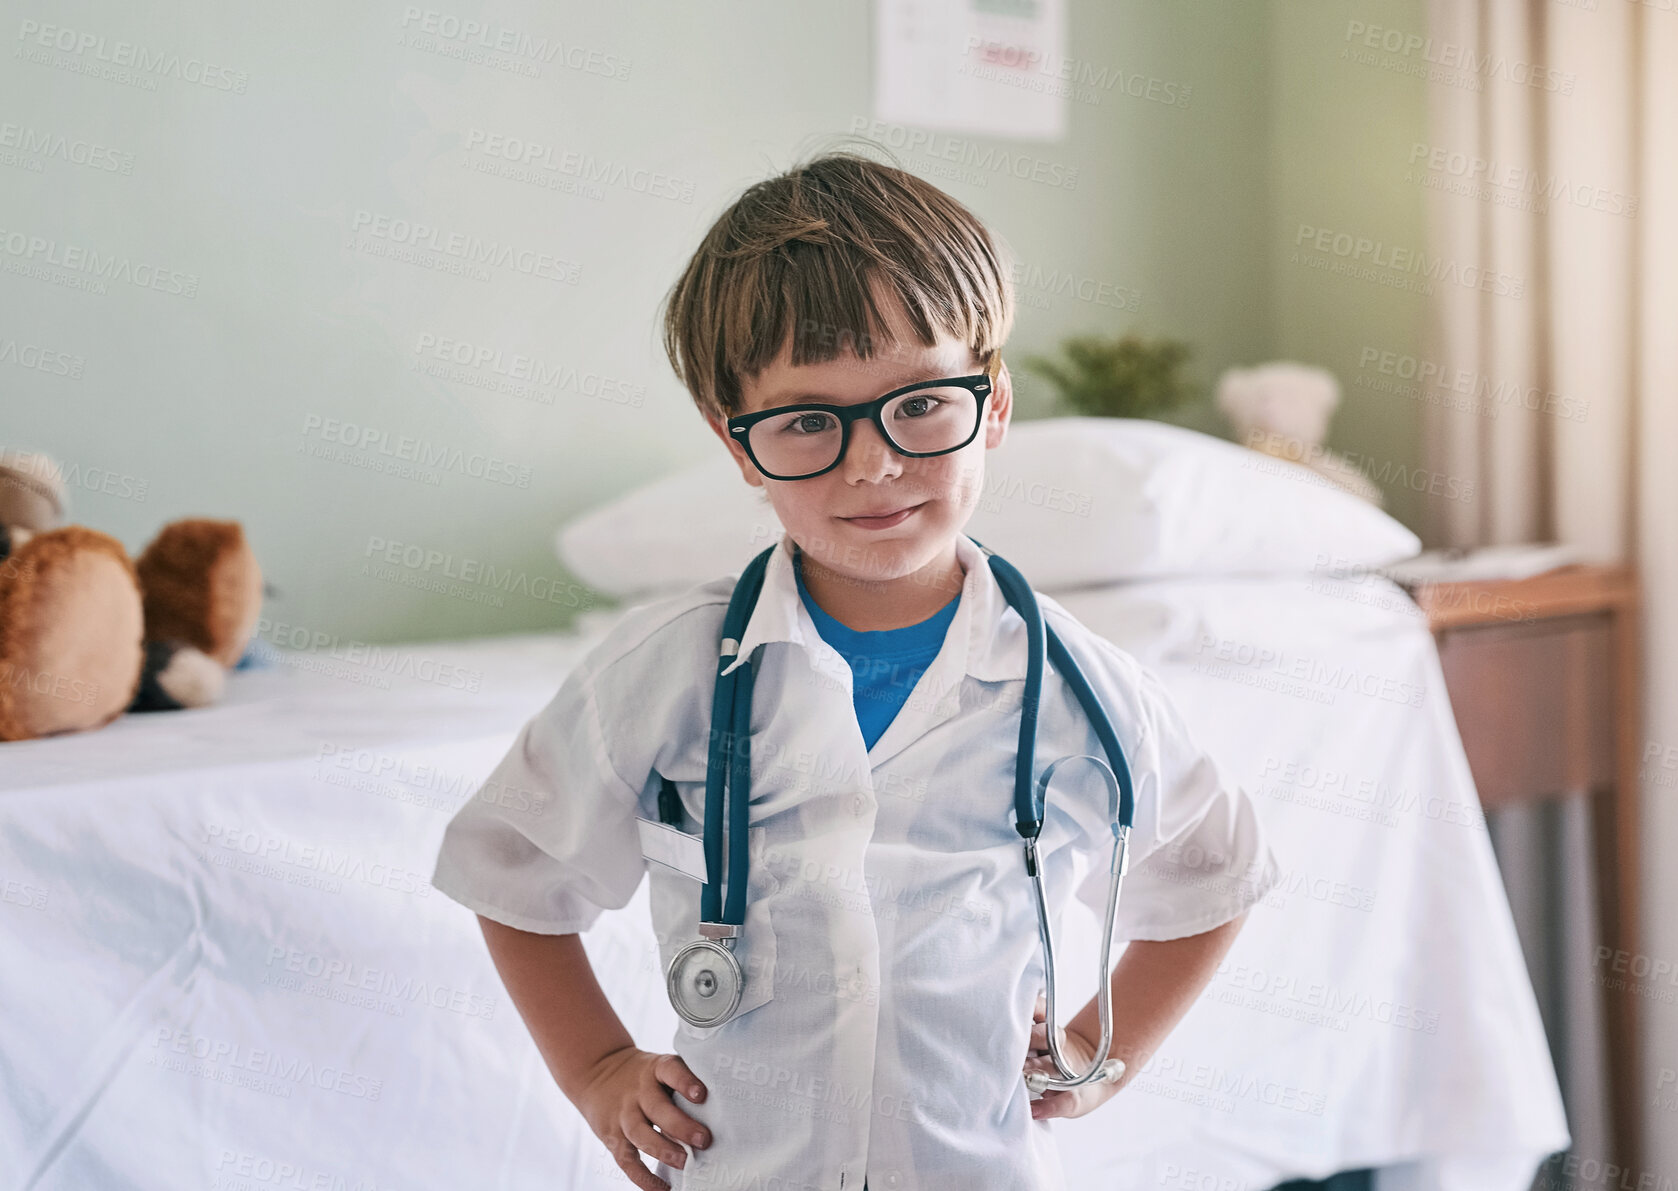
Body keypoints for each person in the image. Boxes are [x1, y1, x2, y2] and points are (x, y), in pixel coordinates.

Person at [430, 150, 1281, 1191]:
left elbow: (1214, 871)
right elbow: (509, 869)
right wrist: (599, 1068)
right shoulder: (672, 670)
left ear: (994, 402)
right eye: (804, 422)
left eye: (920, 404)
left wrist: (1108, 1049)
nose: (871, 463)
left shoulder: (1076, 686)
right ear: (735, 445)